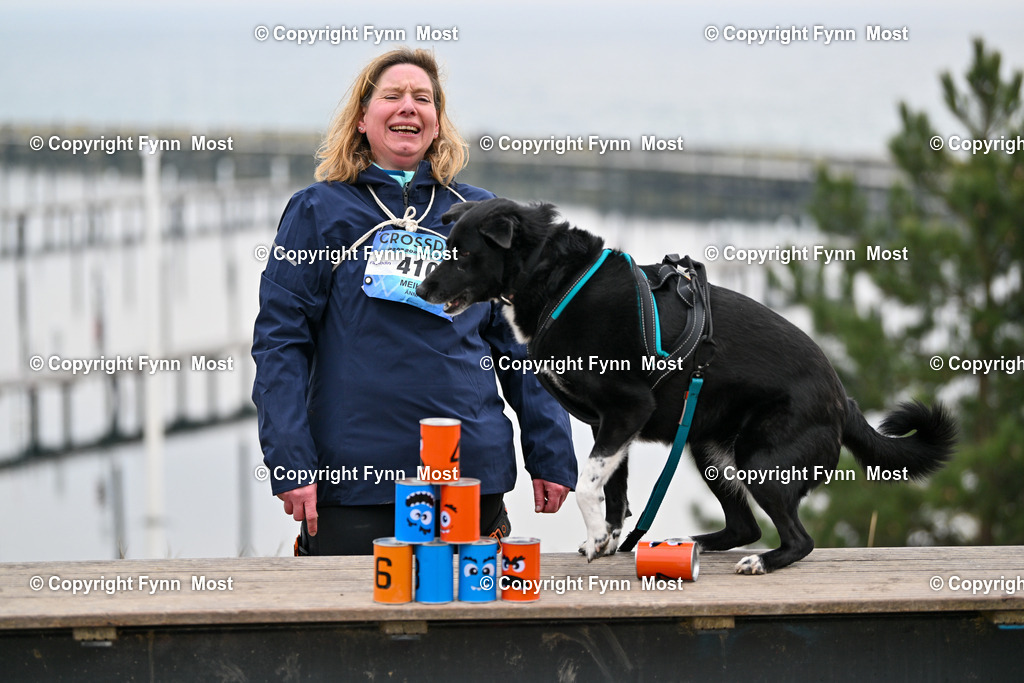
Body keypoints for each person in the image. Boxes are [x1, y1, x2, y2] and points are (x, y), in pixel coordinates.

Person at [251, 48, 578, 555]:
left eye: (423, 98)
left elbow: (522, 343)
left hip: (470, 476)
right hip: (355, 480)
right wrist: (291, 461)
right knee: (356, 609)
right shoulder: (317, 211)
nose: (409, 106)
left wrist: (551, 452)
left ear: (437, 122)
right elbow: (281, 342)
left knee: (465, 607)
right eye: (392, 96)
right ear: (361, 119)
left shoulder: (479, 213)